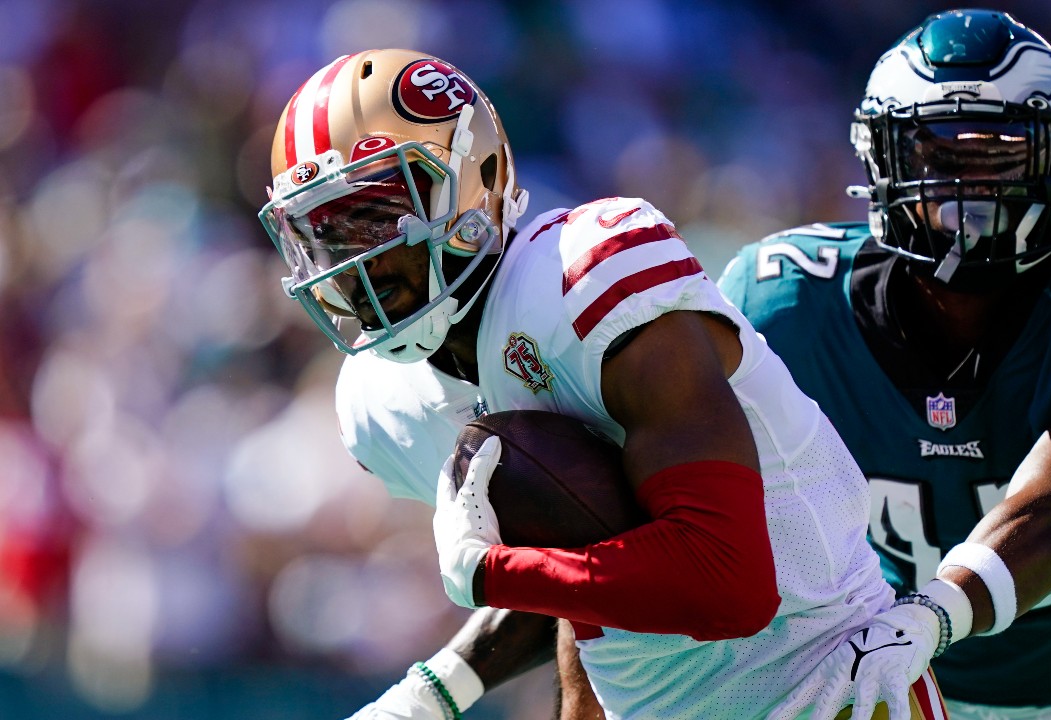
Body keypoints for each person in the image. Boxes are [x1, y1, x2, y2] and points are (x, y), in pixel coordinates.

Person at [257, 49, 950, 720]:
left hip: (830, 685)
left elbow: (729, 584)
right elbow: (582, 551)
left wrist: (492, 574)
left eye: (378, 214)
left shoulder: (586, 279)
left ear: (478, 177)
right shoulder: (382, 403)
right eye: (326, 234)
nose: (354, 259)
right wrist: (434, 692)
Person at [714, 8, 1051, 720]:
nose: (968, 190)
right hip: (874, 693)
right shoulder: (784, 303)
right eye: (940, 154)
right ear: (881, 157)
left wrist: (926, 620)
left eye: (1001, 153)